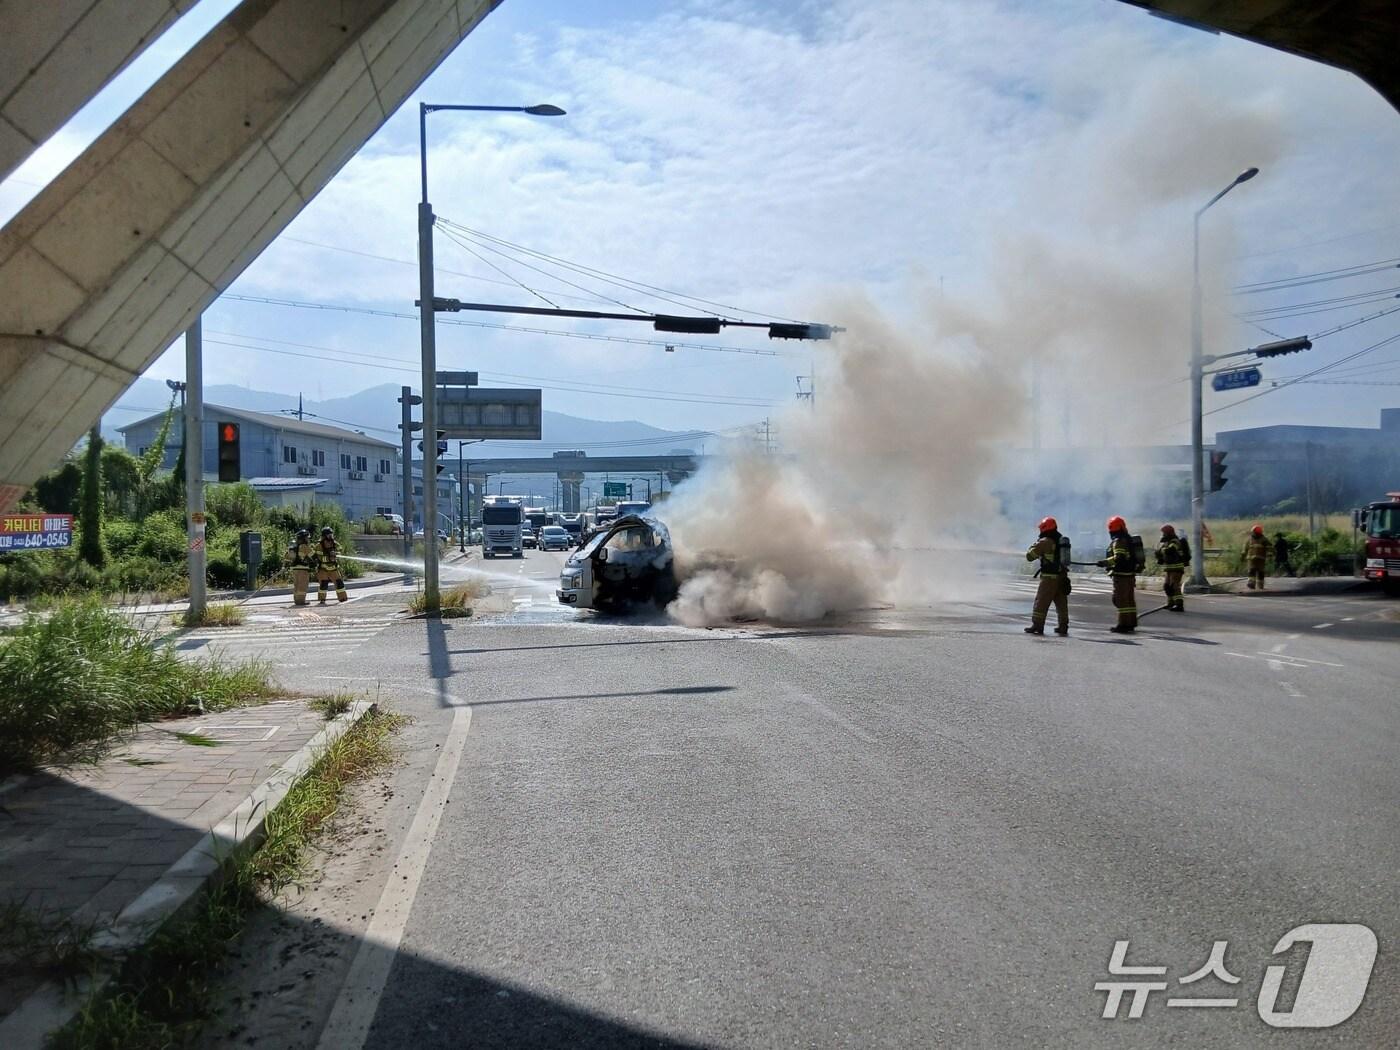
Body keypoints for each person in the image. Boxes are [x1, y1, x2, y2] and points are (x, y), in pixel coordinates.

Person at [1024, 515, 1070, 636]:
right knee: (1061, 604)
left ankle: (1037, 625)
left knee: (1041, 602)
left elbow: (1030, 556)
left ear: (1045, 528)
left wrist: (1034, 545)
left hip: (1049, 579)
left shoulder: (1045, 542)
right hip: (1062, 577)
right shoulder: (1061, 540)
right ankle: (1063, 626)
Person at [1098, 515, 1137, 633]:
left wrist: (1104, 562)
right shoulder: (1128, 539)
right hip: (1130, 574)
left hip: (1121, 575)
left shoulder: (1118, 541)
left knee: (1120, 600)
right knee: (1129, 600)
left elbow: (1118, 557)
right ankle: (1131, 623)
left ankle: (1123, 624)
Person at [1155, 523, 1189, 613]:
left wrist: (1161, 550)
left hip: (1177, 567)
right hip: (1169, 568)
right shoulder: (1167, 542)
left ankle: (1179, 605)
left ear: (1169, 533)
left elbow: (1170, 550)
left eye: (1164, 533)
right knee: (1167, 586)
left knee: (1174, 586)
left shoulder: (1175, 541)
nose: (1163, 535)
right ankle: (1170, 603)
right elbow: (1162, 553)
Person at [315, 526, 349, 603]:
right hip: (323, 569)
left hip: (334, 568)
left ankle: (343, 598)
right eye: (329, 535)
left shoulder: (334, 543)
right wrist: (330, 558)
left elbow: (340, 549)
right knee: (323, 585)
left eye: (331, 534)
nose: (331, 536)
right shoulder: (319, 545)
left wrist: (336, 553)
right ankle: (322, 599)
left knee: (339, 583)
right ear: (324, 536)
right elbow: (319, 558)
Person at [288, 528, 316, 606]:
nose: (308, 539)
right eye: (307, 538)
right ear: (303, 538)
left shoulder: (294, 547)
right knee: (302, 585)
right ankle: (301, 601)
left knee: (296, 585)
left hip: (295, 569)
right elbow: (313, 555)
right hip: (303, 569)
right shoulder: (304, 546)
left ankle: (297, 600)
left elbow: (287, 557)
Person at [1245, 524, 1269, 590]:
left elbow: (1269, 549)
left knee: (1258, 572)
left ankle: (1260, 585)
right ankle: (1252, 584)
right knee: (1252, 571)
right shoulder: (1251, 539)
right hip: (1254, 559)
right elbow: (1245, 549)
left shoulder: (1264, 540)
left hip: (1258, 560)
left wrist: (1270, 556)